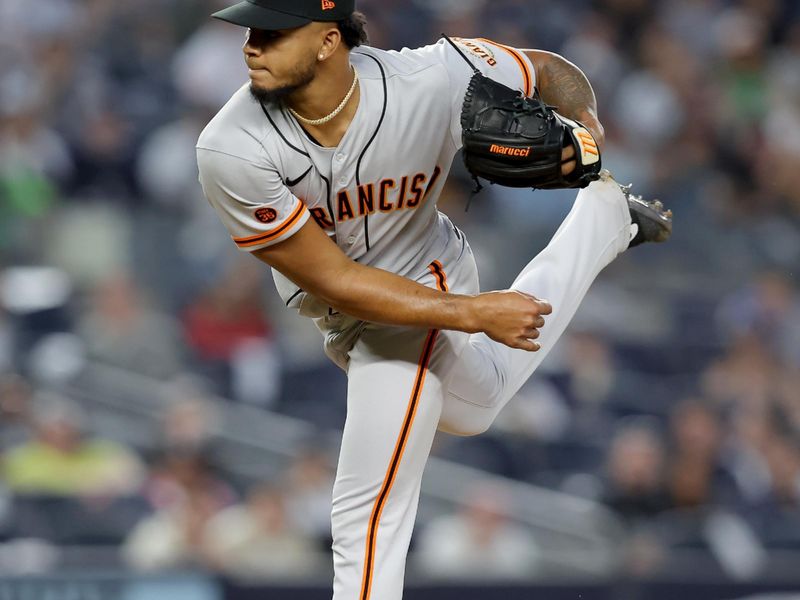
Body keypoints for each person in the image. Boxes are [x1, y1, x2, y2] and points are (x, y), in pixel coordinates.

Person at [196, 1, 672, 598]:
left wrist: (585, 124)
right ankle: (602, 221)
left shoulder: (430, 76)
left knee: (366, 507)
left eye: (271, 31)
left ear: (326, 41)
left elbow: (548, 70)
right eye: (250, 30)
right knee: (477, 406)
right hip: (349, 311)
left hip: (431, 274)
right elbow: (337, 280)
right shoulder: (231, 147)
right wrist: (478, 315)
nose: (250, 45)